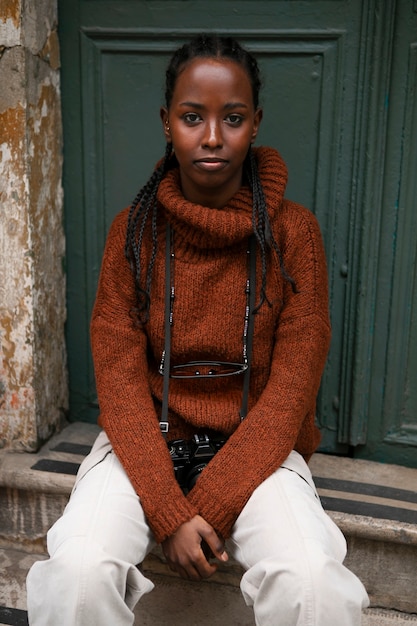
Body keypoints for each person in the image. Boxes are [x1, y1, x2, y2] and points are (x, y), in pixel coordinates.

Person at [27, 34, 369, 625]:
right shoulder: (131, 234)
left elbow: (291, 393)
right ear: (167, 123)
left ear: (255, 123)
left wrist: (206, 508)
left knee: (313, 583)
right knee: (77, 572)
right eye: (193, 117)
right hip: (144, 447)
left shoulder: (294, 235)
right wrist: (168, 510)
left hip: (257, 451)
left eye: (232, 118)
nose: (212, 137)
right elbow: (118, 379)